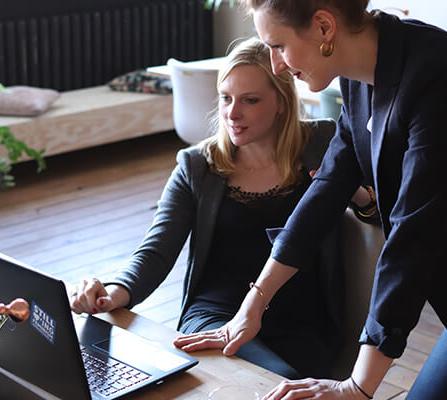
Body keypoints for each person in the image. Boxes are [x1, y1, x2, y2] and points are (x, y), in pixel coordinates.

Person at [174, 1, 447, 399]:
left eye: (278, 46)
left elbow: (414, 237)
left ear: (324, 27)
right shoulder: (360, 77)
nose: (276, 66)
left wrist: (357, 387)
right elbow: (328, 187)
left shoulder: (440, 76)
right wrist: (254, 304)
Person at [70, 37, 346, 379]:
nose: (232, 113)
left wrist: (362, 198)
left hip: (302, 321)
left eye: (250, 100)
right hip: (215, 316)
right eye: (226, 98)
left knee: (280, 381)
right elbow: (156, 251)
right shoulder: (198, 166)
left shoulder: (323, 143)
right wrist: (112, 293)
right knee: (271, 380)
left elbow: (378, 213)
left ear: (281, 102)